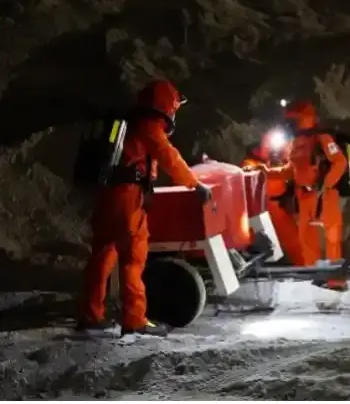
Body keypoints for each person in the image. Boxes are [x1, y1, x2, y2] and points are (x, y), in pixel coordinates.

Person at [77, 79, 213, 337]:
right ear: (166, 106)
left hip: (108, 194)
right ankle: (135, 319)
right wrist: (194, 185)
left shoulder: (127, 123)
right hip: (128, 198)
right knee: (133, 258)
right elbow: (169, 157)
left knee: (102, 255)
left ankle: (91, 316)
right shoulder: (148, 126)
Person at [262, 101, 348, 290]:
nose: (289, 123)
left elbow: (339, 162)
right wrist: (267, 172)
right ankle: (314, 275)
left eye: (293, 119)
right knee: (306, 238)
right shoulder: (294, 143)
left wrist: (325, 186)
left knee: (331, 238)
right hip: (304, 196)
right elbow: (290, 171)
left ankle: (335, 280)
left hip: (324, 196)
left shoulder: (322, 138)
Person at [241, 129, 306, 267]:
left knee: (295, 243)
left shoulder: (286, 159)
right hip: (259, 210)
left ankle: (305, 268)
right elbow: (247, 171)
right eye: (268, 144)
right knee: (258, 246)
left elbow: (293, 170)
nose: (272, 148)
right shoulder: (251, 162)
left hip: (279, 206)